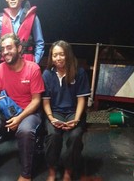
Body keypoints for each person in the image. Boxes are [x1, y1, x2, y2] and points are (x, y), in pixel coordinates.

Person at [0, 33, 45, 181]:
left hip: (28, 112)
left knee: (25, 130)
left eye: (9, 47)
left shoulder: (33, 69)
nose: (5, 52)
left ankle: (26, 174)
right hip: (5, 110)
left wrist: (19, 118)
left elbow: (36, 101)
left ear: (19, 48)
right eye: (2, 49)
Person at [42, 40, 90, 181]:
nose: (58, 58)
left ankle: (68, 171)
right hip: (55, 112)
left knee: (75, 136)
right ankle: (52, 171)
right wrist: (51, 118)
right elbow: (46, 101)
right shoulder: (47, 74)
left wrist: (76, 119)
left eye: (61, 54)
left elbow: (82, 100)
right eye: (55, 55)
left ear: (67, 54)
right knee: (53, 136)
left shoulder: (79, 72)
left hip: (73, 112)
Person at [0, 0, 45, 67]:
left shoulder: (32, 18)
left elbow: (40, 43)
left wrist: (35, 62)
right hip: (6, 63)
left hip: (27, 64)